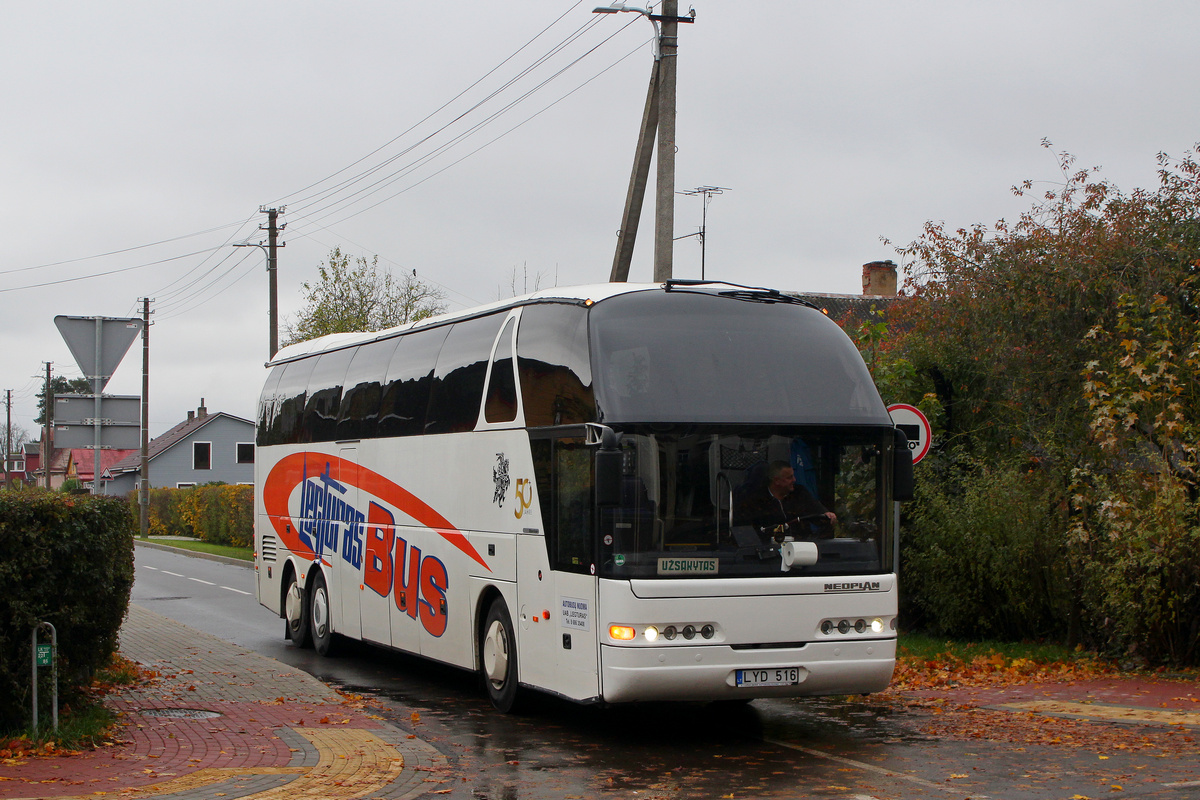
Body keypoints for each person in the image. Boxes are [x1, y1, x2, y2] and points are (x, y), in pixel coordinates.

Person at [736, 460, 836, 540]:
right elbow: (746, 533)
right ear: (776, 480)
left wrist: (827, 515)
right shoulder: (756, 499)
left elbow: (818, 512)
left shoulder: (800, 493)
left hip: (802, 551)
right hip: (768, 555)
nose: (794, 480)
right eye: (789, 477)